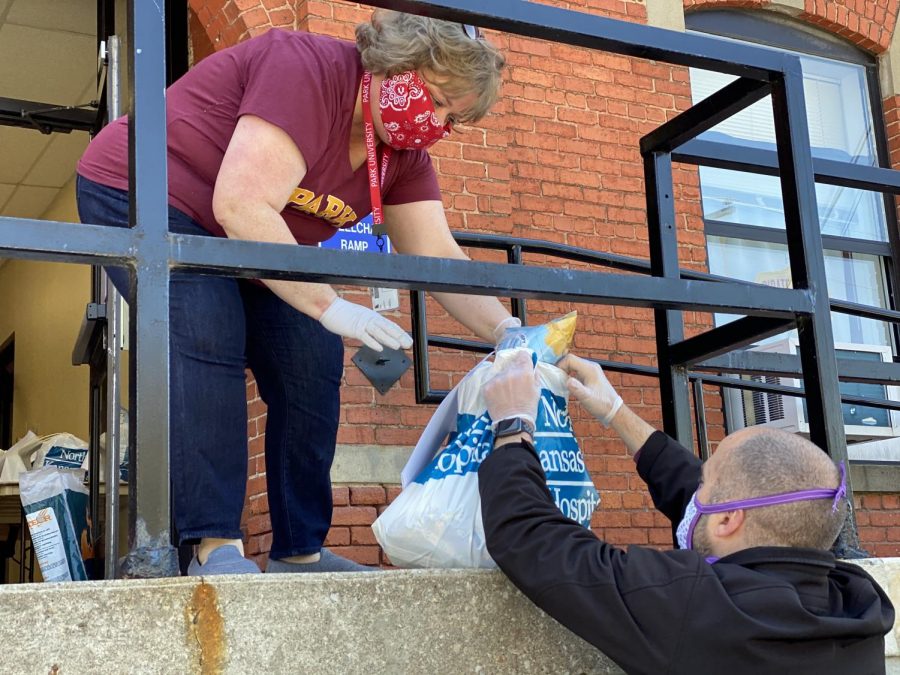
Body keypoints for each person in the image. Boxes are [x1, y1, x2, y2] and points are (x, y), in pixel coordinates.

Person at [75, 10, 521, 575]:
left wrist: (509, 331)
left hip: (254, 236)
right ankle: (214, 547)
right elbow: (241, 203)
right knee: (207, 329)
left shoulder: (402, 158)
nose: (433, 123)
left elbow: (438, 255)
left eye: (452, 119)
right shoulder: (307, 68)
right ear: (396, 62)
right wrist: (330, 304)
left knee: (310, 356)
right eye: (434, 99)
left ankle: (298, 551)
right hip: (146, 191)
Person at [479, 350, 894, 674]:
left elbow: (531, 539)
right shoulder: (856, 605)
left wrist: (513, 424)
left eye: (704, 483)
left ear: (729, 519)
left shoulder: (697, 610)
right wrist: (615, 411)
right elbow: (730, 512)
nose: (694, 488)